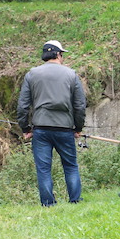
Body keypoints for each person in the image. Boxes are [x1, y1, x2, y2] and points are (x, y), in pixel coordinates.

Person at [17, 40, 87, 207]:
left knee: (43, 169)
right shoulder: (71, 74)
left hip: (41, 129)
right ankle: (75, 201)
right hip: (65, 128)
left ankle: (48, 203)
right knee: (70, 166)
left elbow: (22, 105)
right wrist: (78, 128)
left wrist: (25, 128)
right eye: (62, 54)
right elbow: (80, 105)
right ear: (57, 54)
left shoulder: (32, 74)